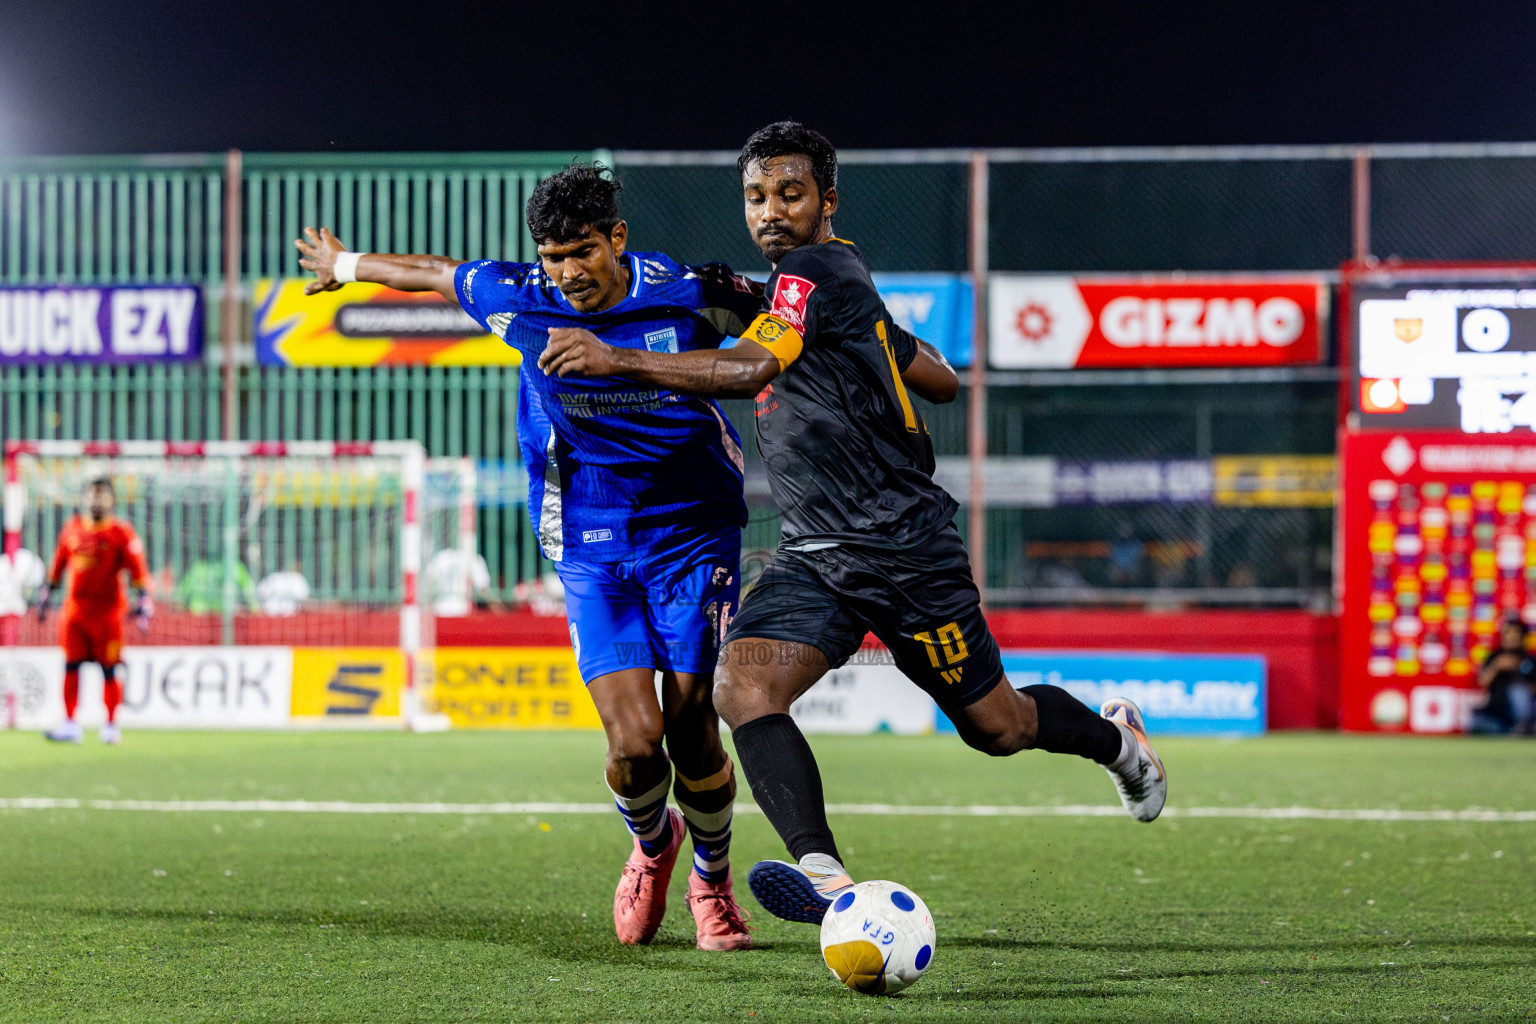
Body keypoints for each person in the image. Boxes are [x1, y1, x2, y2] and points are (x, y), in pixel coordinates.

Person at [539, 122, 1168, 925]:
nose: (770, 211)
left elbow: (751, 367)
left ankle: (1118, 742)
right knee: (742, 687)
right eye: (756, 197)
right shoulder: (833, 281)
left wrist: (615, 356)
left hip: (907, 551)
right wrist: (874, 341)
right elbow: (937, 378)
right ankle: (827, 880)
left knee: (999, 727)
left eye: (790, 193)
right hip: (814, 560)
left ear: (827, 200)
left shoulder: (810, 271)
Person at [295, 164, 765, 951]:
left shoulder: (687, 293)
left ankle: (711, 884)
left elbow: (791, 330)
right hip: (588, 534)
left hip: (694, 529)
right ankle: (654, 851)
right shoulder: (520, 296)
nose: (568, 274)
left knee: (693, 732)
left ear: (617, 238)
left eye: (582, 251)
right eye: (552, 257)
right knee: (632, 744)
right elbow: (437, 275)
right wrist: (345, 268)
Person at [37, 479, 154, 745]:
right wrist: (46, 594)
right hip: (76, 613)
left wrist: (144, 600)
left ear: (112, 502)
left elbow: (138, 571)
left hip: (107, 615)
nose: (95, 501)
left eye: (101, 496)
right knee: (70, 666)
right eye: (91, 495)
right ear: (83, 499)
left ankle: (111, 726)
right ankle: (69, 723)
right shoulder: (72, 529)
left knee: (110, 670)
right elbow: (57, 566)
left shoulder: (121, 533)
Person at [1470, 617, 1535, 735]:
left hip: (1522, 713)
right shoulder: (1495, 656)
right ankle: (1513, 731)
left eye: (1515, 633)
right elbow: (1482, 682)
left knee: (1517, 691)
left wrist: (1518, 671)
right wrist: (1497, 667)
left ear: (1522, 636)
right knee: (1477, 722)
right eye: (1508, 633)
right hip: (1497, 711)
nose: (1511, 637)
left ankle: (1522, 727)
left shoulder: (1529, 659)